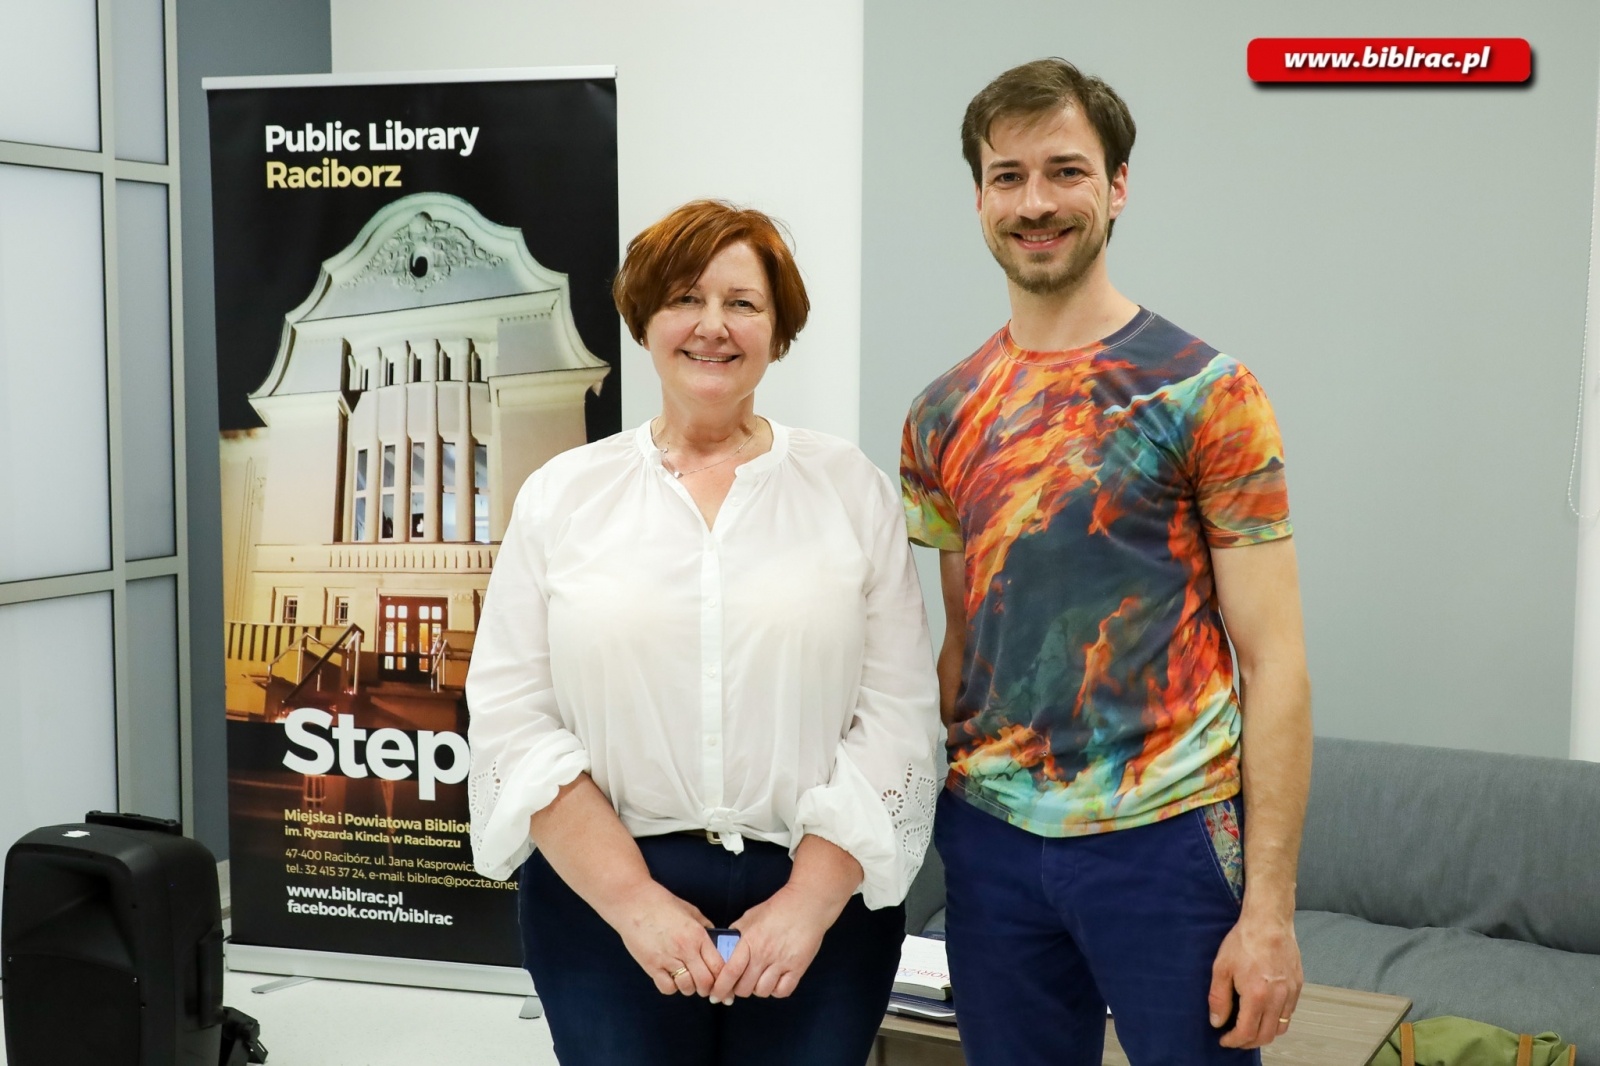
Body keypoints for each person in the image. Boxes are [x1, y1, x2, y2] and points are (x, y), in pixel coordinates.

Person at [900, 58, 1313, 1066]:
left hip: (1165, 843)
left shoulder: (1206, 392)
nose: (1035, 202)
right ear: (979, 197)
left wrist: (1268, 911)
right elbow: (963, 647)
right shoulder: (940, 414)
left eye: (1065, 170)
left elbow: (1276, 665)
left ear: (1117, 186)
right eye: (1007, 176)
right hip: (991, 848)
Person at [467, 199, 941, 1066]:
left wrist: (806, 904)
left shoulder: (850, 489)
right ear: (644, 320)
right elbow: (512, 716)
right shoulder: (563, 496)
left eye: (743, 303)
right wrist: (633, 903)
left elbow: (900, 716)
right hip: (603, 894)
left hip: (819, 892)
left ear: (779, 329)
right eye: (685, 298)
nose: (712, 327)